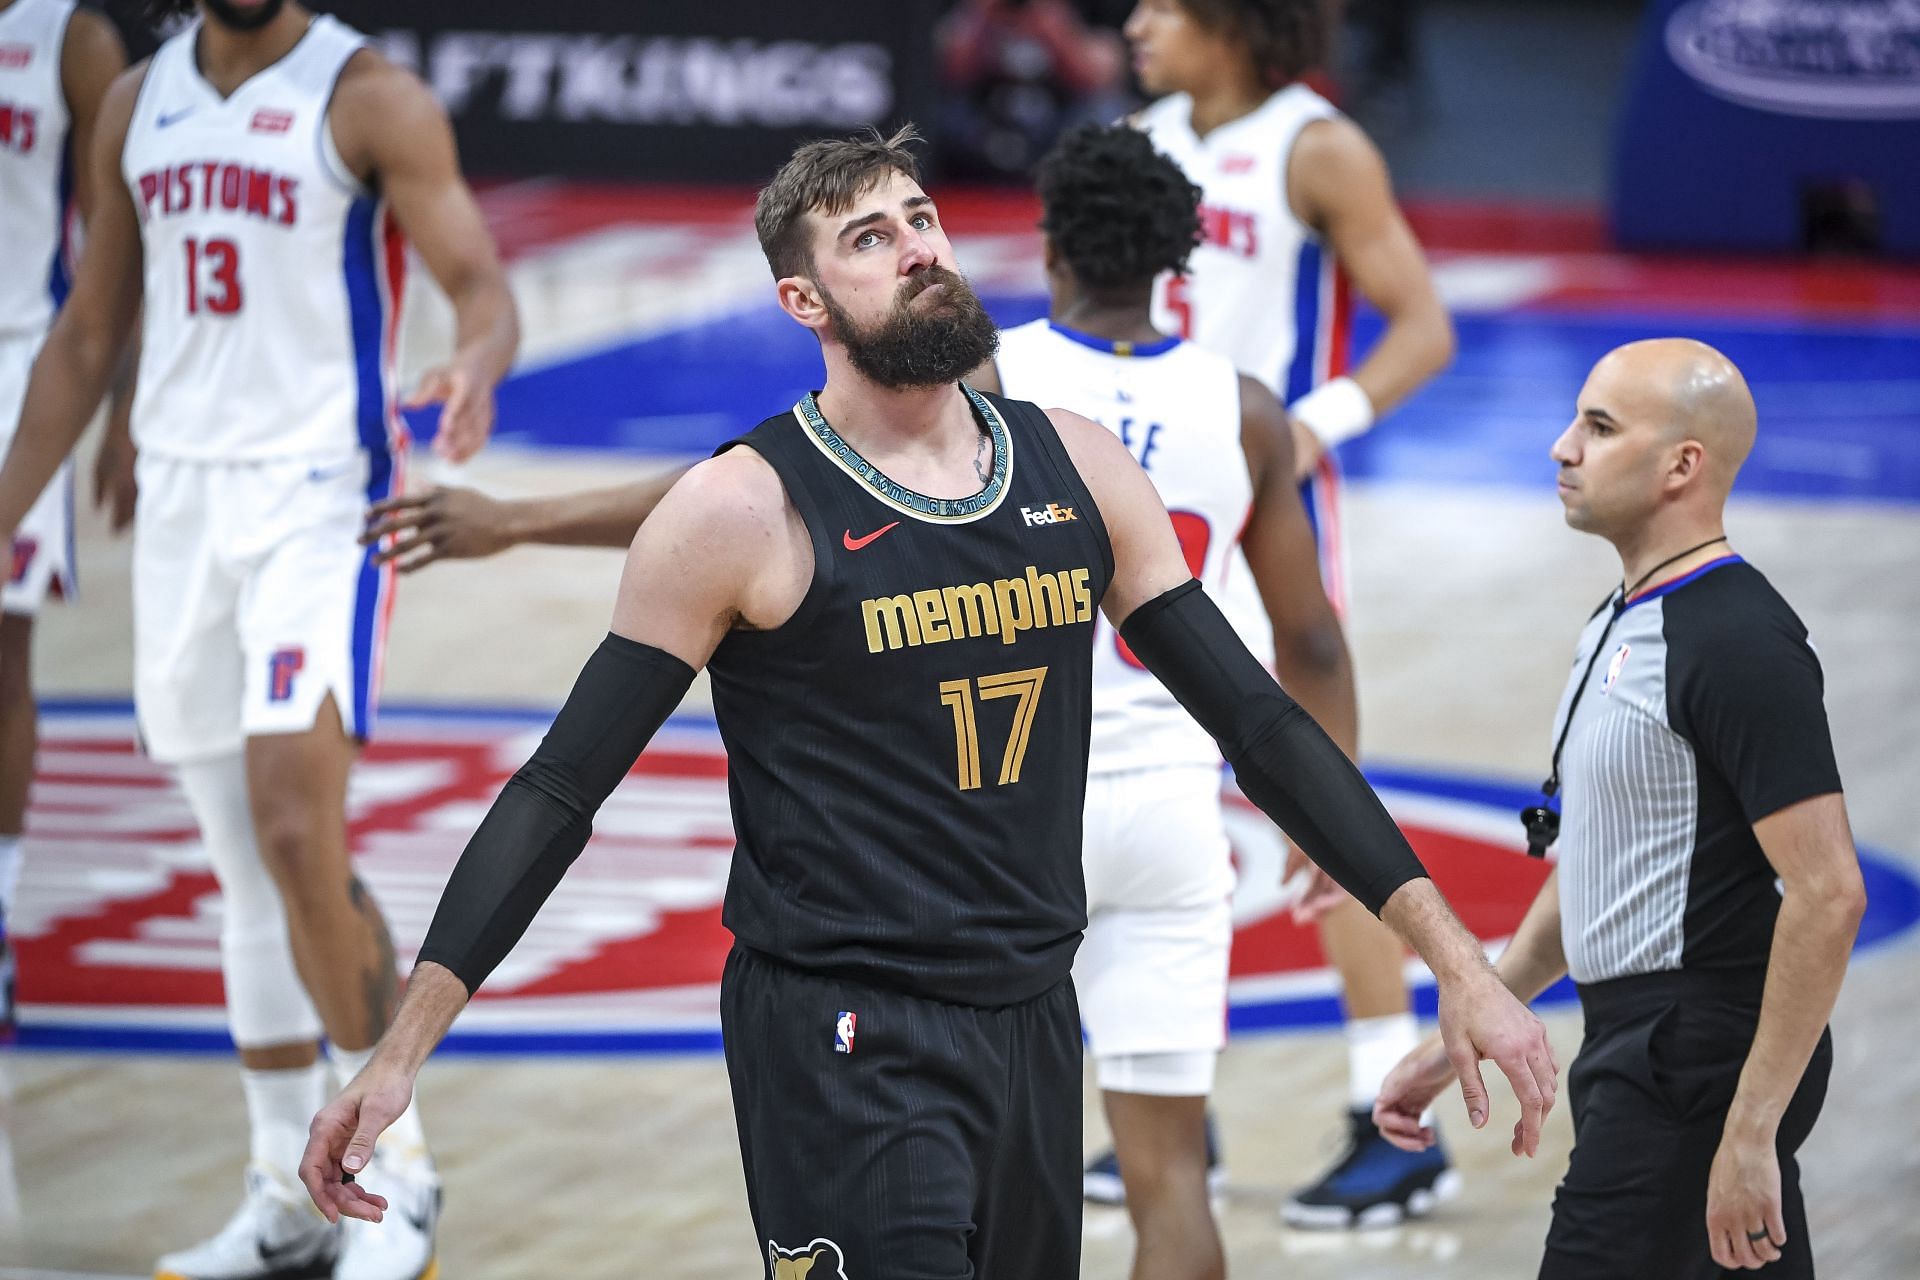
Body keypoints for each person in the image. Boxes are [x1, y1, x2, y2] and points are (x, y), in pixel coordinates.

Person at [299, 125, 1555, 1280]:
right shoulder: (741, 509)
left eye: (921, 218)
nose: (918, 250)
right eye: (869, 238)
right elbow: (561, 787)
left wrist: (1458, 960)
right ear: (803, 301)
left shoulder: (1076, 466)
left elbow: (1263, 724)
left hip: (1030, 1012)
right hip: (840, 1028)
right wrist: (402, 1046)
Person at [0, 1, 518, 1276]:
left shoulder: (368, 94)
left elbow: (480, 285)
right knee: (244, 860)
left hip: (315, 499)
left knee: (298, 827)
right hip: (183, 503)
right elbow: (85, 332)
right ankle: (285, 1183)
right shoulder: (138, 104)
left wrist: (478, 365)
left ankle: (398, 1171)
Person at [1374, 339, 1866, 1279]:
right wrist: (1466, 1031)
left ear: (1684, 464)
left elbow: (1830, 892)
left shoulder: (1736, 639)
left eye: (1598, 427)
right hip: (1644, 1044)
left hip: (1691, 1058)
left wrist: (1750, 1129)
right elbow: (1603, 871)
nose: (1562, 447)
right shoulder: (1622, 616)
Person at [1120, 0, 1460, 1227]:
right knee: (1144, 795)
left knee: (1316, 798)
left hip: (1263, 515)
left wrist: (1309, 428)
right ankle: (1165, 1109)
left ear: (1231, 19)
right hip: (1142, 513)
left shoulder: (1319, 147)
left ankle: (1396, 1115)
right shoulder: (1136, 135)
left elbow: (1422, 327)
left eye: (1161, 5)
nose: (1134, 22)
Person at [0, 0, 127, 1034]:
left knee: (2, 654)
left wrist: (126, 406)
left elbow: (108, 253)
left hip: (18, 367)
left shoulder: (69, 36)